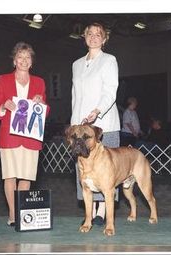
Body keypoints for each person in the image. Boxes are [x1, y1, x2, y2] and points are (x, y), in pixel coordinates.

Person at [0, 42, 50, 226]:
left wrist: (40, 103)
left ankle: (22, 213)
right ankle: (13, 214)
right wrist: (3, 106)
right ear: (14, 61)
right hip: (9, 135)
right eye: (20, 57)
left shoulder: (39, 82)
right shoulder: (3, 79)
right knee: (10, 175)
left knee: (26, 176)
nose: (24, 60)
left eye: (27, 57)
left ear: (31, 62)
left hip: (31, 136)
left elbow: (45, 112)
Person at [70, 22, 120, 226]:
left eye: (98, 34)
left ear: (104, 38)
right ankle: (91, 213)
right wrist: (74, 123)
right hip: (80, 127)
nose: (93, 37)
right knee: (84, 170)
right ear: (84, 36)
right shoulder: (76, 64)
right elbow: (75, 96)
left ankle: (101, 212)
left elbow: (111, 91)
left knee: (106, 172)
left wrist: (97, 111)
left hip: (103, 123)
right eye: (90, 34)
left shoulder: (109, 61)